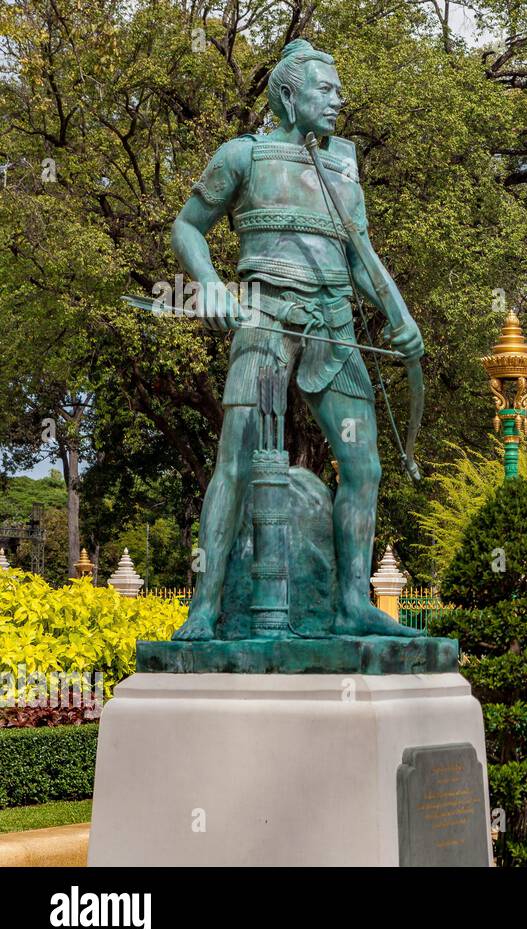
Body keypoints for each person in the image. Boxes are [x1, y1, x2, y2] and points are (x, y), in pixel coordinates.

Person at [170, 40, 423, 641]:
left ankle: (352, 606)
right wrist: (208, 285)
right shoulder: (242, 156)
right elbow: (187, 226)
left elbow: (361, 257)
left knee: (364, 467)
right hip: (263, 319)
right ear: (288, 93)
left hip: (333, 325)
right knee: (234, 458)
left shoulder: (344, 165)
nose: (339, 99)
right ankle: (204, 609)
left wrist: (399, 313)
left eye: (339, 90)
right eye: (326, 89)